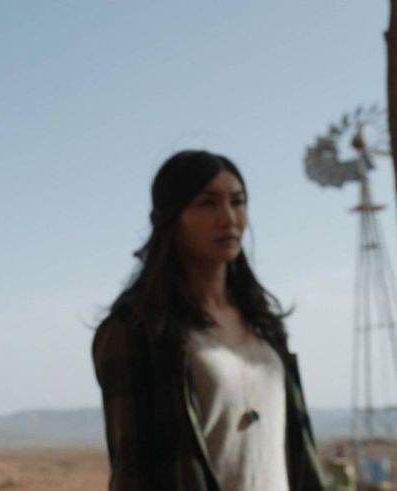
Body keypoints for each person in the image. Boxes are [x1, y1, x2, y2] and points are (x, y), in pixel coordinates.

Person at [92, 150, 326, 491]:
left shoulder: (264, 324)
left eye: (238, 201)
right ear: (171, 218)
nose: (228, 218)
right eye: (207, 203)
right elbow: (133, 472)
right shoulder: (135, 329)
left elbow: (299, 452)